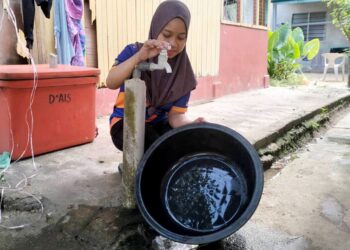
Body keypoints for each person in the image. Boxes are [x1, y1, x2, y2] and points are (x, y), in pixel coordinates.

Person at [106, 0, 205, 152]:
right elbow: (111, 82)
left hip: (159, 123)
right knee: (156, 147)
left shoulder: (183, 73)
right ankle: (141, 172)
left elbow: (175, 117)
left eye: (181, 37)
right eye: (167, 34)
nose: (173, 43)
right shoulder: (134, 51)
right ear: (156, 28)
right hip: (125, 122)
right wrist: (140, 56)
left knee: (180, 144)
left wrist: (191, 125)